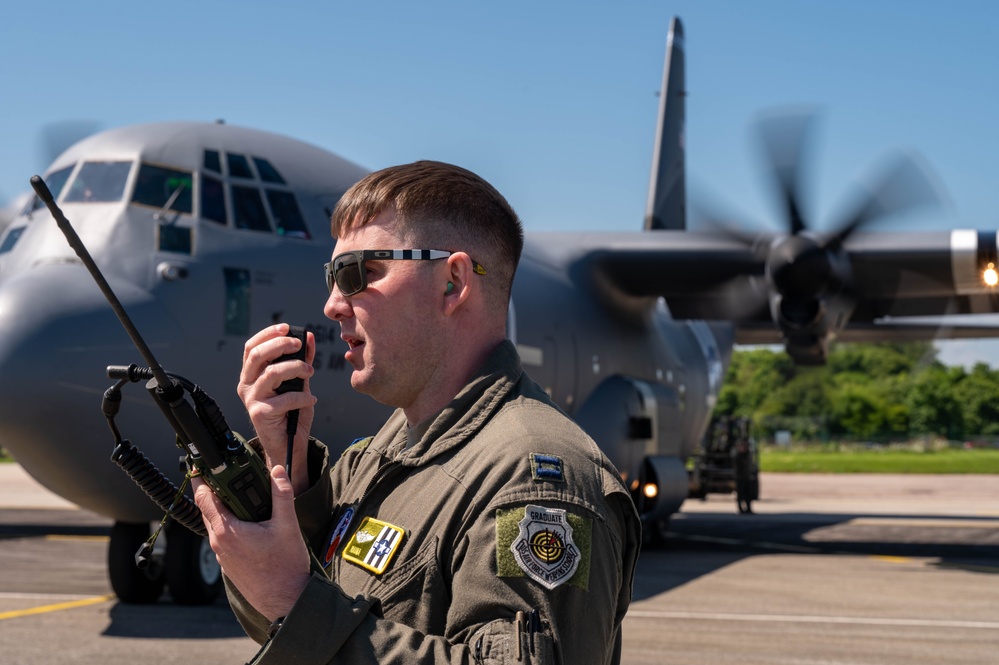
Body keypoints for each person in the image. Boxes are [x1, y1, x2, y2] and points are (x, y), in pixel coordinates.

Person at [194, 160, 642, 664]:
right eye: (332, 276)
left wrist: (293, 600)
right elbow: (289, 634)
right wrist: (287, 474)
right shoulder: (379, 456)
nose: (333, 304)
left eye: (358, 273)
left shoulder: (533, 480)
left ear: (452, 282)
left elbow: (301, 615)